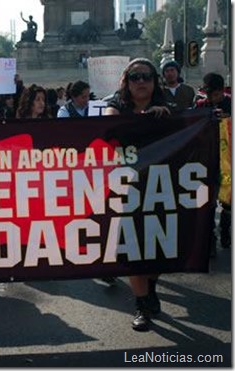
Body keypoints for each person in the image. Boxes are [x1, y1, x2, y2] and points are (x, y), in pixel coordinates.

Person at [104, 58, 170, 332]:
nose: (141, 82)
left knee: (158, 248)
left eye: (146, 76)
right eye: (135, 77)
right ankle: (141, 305)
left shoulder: (169, 110)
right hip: (126, 188)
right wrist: (141, 120)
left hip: (161, 187)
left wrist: (164, 116)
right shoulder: (116, 106)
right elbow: (107, 124)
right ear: (126, 82)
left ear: (155, 81)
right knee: (133, 248)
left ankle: (151, 286)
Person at [195, 73, 231, 251]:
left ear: (222, 91)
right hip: (207, 159)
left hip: (228, 162)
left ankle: (226, 231)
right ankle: (210, 240)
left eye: (214, 94)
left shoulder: (230, 104)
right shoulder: (201, 105)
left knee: (228, 202)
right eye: (208, 94)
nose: (211, 98)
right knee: (207, 203)